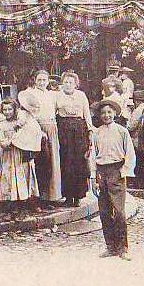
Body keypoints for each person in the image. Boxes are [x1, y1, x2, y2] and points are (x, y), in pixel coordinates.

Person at [90, 98, 136, 261]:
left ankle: (122, 247)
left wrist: (124, 170)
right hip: (102, 171)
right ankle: (110, 246)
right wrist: (94, 175)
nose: (106, 115)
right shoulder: (96, 132)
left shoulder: (122, 131)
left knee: (119, 212)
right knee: (104, 211)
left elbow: (129, 152)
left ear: (115, 113)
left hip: (117, 170)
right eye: (103, 113)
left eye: (109, 112)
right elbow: (93, 155)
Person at [18, 69, 62, 206]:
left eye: (44, 80)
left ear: (48, 81)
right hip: (37, 128)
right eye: (39, 80)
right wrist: (38, 130)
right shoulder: (31, 94)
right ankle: (39, 197)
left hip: (52, 127)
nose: (42, 83)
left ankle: (51, 196)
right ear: (35, 80)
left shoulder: (52, 95)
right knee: (41, 161)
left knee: (53, 162)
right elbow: (29, 112)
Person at [56, 71, 93, 207]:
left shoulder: (81, 96)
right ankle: (67, 196)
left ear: (76, 84)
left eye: (71, 82)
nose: (68, 84)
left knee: (78, 162)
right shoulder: (57, 96)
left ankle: (78, 196)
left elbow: (87, 114)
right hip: (63, 130)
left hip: (78, 130)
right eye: (66, 81)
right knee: (66, 162)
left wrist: (89, 131)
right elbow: (53, 113)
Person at [0, 98, 40, 210]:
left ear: (14, 110)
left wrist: (21, 140)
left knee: (22, 174)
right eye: (4, 110)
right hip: (8, 155)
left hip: (19, 153)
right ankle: (11, 204)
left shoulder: (20, 123)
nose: (7, 112)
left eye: (10, 109)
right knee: (9, 175)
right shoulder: (1, 125)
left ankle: (25, 202)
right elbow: (2, 141)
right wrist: (10, 142)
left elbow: (28, 136)